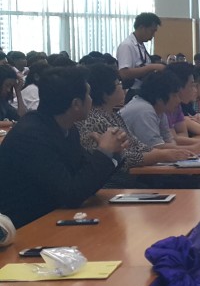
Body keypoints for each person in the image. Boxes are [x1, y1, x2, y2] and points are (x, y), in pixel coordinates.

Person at [0, 67, 126, 228]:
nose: (91, 99)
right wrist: (104, 152)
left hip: (53, 217)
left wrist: (112, 152)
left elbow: (85, 180)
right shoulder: (31, 136)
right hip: (25, 226)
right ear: (76, 104)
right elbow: (71, 194)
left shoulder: (67, 128)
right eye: (88, 94)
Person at [79, 63, 196, 172]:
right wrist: (162, 155)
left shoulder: (113, 116)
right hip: (114, 181)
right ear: (105, 94)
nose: (122, 86)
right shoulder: (95, 120)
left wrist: (173, 152)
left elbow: (137, 145)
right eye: (118, 83)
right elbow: (123, 158)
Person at [115, 12, 166, 92]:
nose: (153, 35)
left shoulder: (140, 45)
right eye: (152, 31)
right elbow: (124, 73)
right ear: (142, 27)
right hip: (133, 91)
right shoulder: (127, 45)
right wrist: (152, 67)